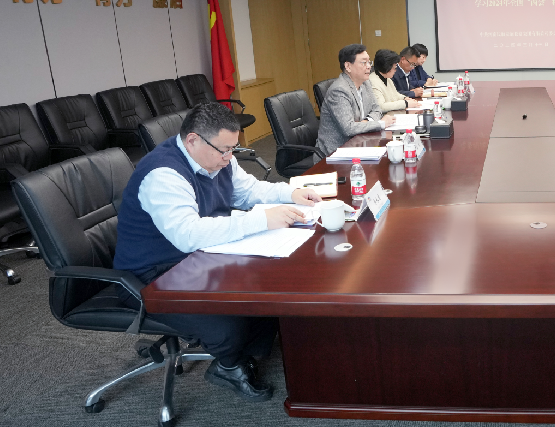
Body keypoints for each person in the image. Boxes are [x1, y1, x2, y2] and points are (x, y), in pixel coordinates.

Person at [113, 103, 323, 401]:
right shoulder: (163, 175)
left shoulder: (218, 158)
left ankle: (245, 352)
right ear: (193, 140)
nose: (229, 158)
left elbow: (248, 191)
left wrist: (290, 193)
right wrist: (261, 220)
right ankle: (228, 365)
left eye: (233, 149)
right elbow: (188, 235)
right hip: (153, 274)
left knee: (269, 287)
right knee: (229, 323)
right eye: (224, 150)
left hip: (200, 256)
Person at [316, 44, 397, 157]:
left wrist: (366, 122)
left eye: (369, 62)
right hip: (337, 151)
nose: (369, 67)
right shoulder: (339, 90)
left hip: (361, 143)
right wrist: (381, 123)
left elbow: (376, 109)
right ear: (348, 66)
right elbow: (349, 129)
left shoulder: (366, 83)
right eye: (363, 62)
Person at [370, 48, 409, 113]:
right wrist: (405, 103)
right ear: (387, 66)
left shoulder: (387, 78)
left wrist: (404, 98)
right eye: (395, 68)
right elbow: (381, 106)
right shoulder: (373, 81)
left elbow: (395, 95)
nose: (395, 70)